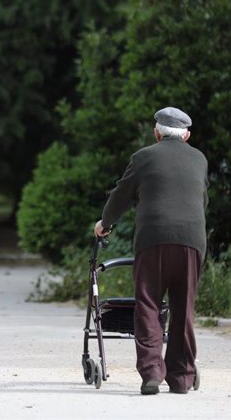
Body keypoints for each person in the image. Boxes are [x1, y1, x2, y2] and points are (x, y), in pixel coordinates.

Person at [94, 107, 208, 395]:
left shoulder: (143, 157)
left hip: (153, 239)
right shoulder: (199, 159)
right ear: (187, 135)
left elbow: (120, 196)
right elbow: (202, 200)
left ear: (156, 133)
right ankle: (181, 377)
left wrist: (105, 224)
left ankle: (151, 374)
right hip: (191, 241)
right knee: (183, 308)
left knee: (148, 304)